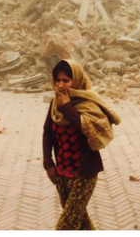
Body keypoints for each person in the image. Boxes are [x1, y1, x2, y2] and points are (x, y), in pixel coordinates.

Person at [42, 59, 121, 230]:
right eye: (58, 80)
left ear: (76, 80)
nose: (61, 85)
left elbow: (87, 130)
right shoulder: (55, 104)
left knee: (67, 225)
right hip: (61, 173)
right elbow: (48, 132)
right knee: (82, 223)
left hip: (84, 174)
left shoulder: (89, 104)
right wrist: (48, 164)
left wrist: (67, 107)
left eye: (66, 80)